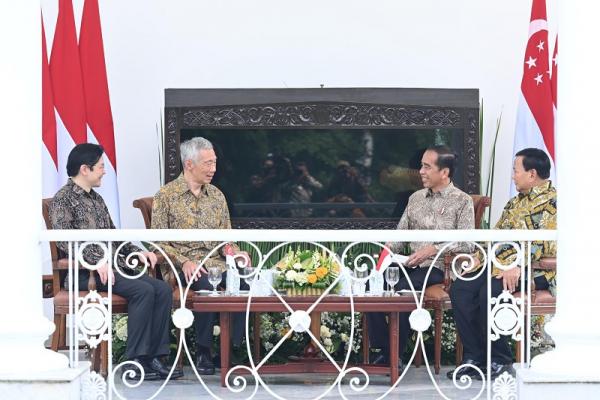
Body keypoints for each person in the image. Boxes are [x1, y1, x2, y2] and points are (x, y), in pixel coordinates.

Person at [49, 143, 181, 380]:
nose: (104, 171)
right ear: (84, 169)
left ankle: (155, 358)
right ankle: (134, 361)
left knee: (161, 289)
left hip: (112, 269)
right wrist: (94, 261)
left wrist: (139, 252)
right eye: (100, 166)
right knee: (142, 290)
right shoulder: (63, 199)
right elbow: (64, 241)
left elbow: (113, 235)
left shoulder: (97, 199)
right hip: (84, 274)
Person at [447, 148, 556, 380]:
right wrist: (479, 256)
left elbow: (542, 243)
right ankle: (475, 357)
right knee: (462, 288)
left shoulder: (553, 202)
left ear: (532, 173)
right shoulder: (514, 202)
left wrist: (517, 265)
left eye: (516, 171)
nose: (513, 176)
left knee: (492, 291)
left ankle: (500, 359)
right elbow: (496, 235)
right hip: (500, 265)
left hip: (537, 269)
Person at [367, 145, 474, 368]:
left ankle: (392, 355)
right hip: (411, 264)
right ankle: (385, 350)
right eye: (421, 166)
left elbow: (467, 243)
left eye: (427, 167)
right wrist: (386, 253)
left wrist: (434, 248)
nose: (421, 172)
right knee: (372, 286)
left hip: (439, 269)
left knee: (402, 288)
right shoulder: (415, 198)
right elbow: (400, 236)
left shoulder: (462, 201)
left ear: (444, 172)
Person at [151, 137, 250, 375]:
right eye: (207, 163)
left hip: (215, 262)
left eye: (214, 163)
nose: (213, 169)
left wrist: (236, 254)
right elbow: (158, 242)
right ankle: (203, 351)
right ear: (189, 164)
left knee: (244, 283)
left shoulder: (216, 196)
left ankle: (231, 350)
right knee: (207, 283)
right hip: (182, 265)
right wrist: (184, 261)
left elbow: (226, 239)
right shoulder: (166, 196)